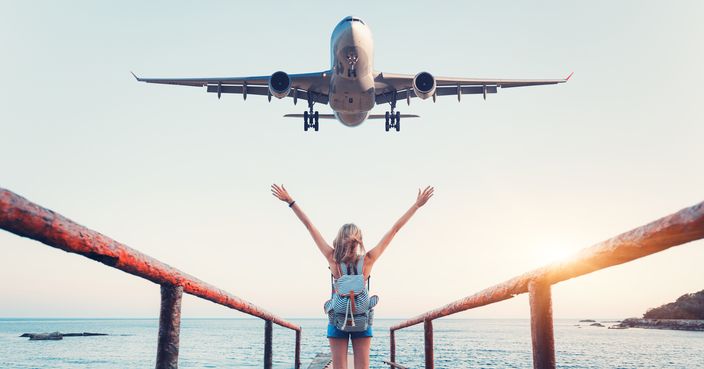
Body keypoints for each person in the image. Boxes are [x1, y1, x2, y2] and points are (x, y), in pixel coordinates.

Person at [271, 184, 434, 369]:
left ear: (339, 238)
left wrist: (290, 201)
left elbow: (309, 226)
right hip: (362, 320)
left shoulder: (332, 258)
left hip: (337, 319)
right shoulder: (368, 260)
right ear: (359, 240)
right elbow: (394, 230)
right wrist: (416, 205)